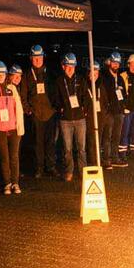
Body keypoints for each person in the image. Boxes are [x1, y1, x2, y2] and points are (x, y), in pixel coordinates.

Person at [0, 60, 25, 194]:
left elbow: (18, 108)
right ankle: (7, 183)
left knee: (14, 157)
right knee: (4, 157)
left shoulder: (11, 88)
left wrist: (20, 127)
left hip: (13, 128)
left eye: (3, 74)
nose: (1, 77)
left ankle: (16, 183)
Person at [18, 45, 57, 178]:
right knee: (37, 144)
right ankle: (39, 168)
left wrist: (55, 107)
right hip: (36, 115)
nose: (37, 60)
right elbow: (23, 96)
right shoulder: (27, 75)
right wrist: (28, 111)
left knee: (50, 142)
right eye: (35, 58)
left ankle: (50, 167)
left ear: (43, 58)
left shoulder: (49, 72)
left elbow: (55, 91)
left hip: (49, 113)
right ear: (31, 58)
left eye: (39, 57)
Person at [51, 53, 90, 182]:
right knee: (67, 148)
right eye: (68, 66)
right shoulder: (58, 81)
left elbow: (86, 96)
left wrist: (84, 108)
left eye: (73, 66)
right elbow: (55, 98)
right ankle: (69, 171)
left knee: (81, 148)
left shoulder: (80, 79)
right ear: (63, 66)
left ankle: (82, 171)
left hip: (80, 119)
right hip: (65, 120)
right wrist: (60, 108)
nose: (70, 69)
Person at [101, 51, 127, 168]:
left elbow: (124, 95)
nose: (115, 65)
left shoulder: (120, 78)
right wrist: (106, 109)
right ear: (110, 63)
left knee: (117, 136)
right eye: (114, 63)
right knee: (108, 136)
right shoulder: (105, 77)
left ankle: (115, 158)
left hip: (119, 113)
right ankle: (106, 160)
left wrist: (122, 108)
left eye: (117, 63)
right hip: (109, 113)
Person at [86, 61, 108, 167]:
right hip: (89, 117)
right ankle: (92, 161)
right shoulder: (85, 86)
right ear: (88, 73)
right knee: (91, 140)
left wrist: (103, 113)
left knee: (98, 139)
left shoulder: (101, 86)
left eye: (96, 74)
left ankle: (98, 159)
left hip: (100, 116)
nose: (94, 76)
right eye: (92, 74)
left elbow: (104, 101)